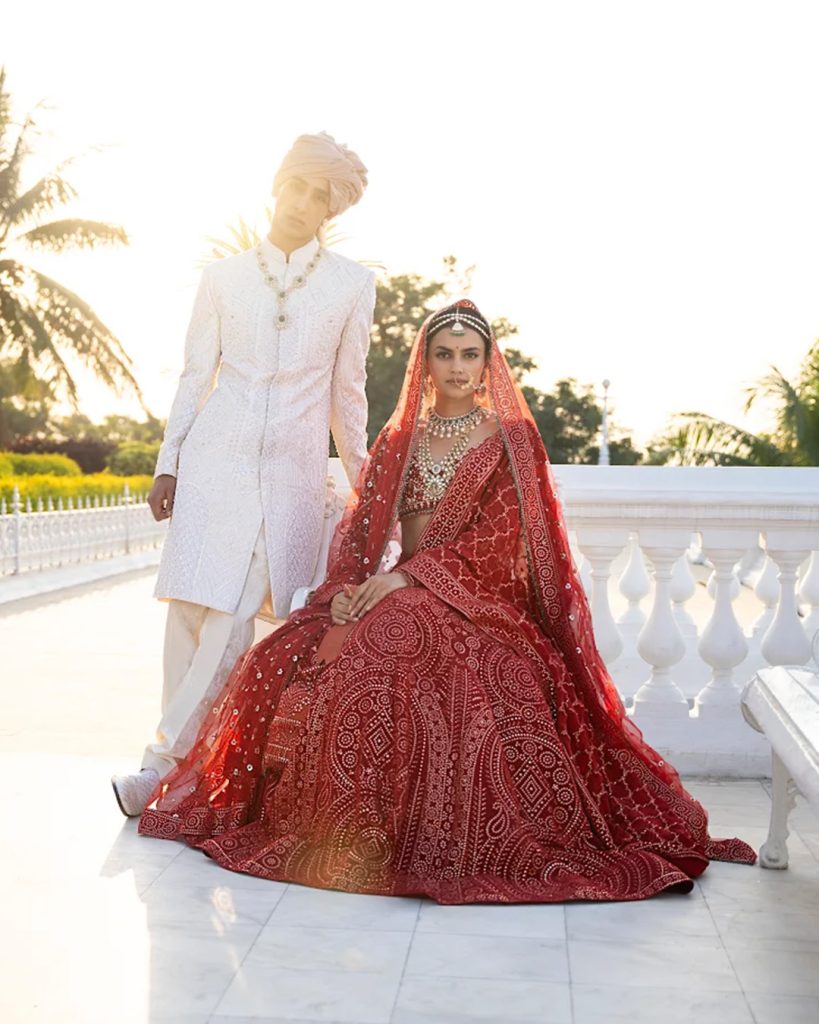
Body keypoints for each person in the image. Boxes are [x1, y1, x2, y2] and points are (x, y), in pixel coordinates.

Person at [138, 300, 755, 903]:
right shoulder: (400, 438)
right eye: (444, 354)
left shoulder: (510, 440)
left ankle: (407, 840)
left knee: (404, 646)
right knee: (284, 651)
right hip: (397, 587)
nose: (457, 367)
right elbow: (360, 533)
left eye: (469, 354)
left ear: (489, 362)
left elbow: (500, 541)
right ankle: (346, 835)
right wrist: (344, 591)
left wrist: (412, 580)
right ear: (424, 363)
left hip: (479, 599)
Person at [112, 133, 375, 816]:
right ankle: (181, 774)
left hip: (289, 477)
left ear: (331, 210)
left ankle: (158, 764)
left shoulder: (352, 285)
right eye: (297, 186)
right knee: (192, 615)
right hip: (212, 462)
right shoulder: (222, 278)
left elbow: (348, 395)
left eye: (319, 196)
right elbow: (195, 375)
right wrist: (169, 462)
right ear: (277, 185)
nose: (303, 203)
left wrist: (367, 481)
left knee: (232, 617)